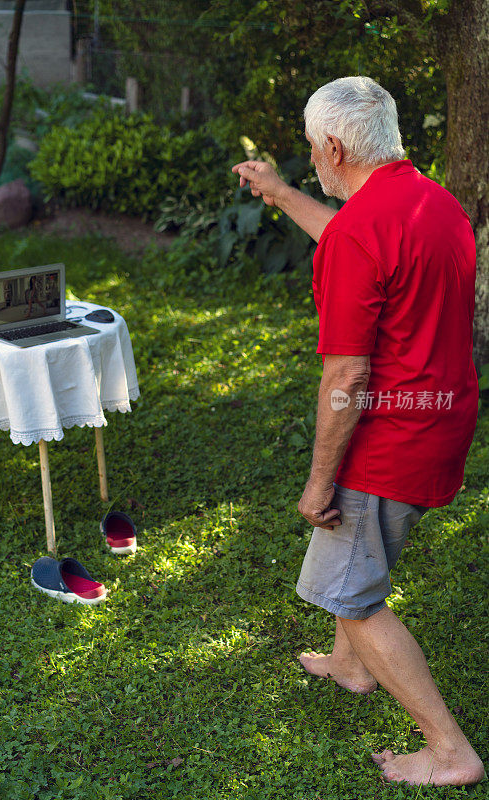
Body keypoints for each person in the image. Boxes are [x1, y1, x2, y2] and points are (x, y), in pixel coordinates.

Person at [232, 76, 485, 787]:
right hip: (441, 417)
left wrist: (319, 483)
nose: (313, 158)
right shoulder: (431, 201)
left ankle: (447, 751)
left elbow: (346, 378)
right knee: (360, 562)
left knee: (351, 593)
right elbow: (357, 240)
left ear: (335, 147)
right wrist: (281, 193)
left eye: (314, 149)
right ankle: (350, 667)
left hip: (387, 435)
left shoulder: (365, 230)